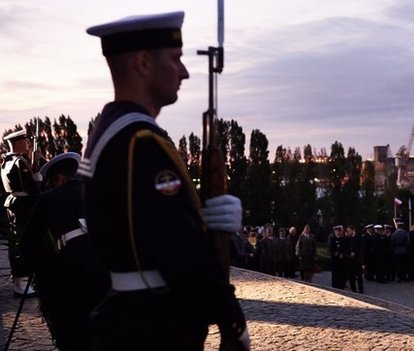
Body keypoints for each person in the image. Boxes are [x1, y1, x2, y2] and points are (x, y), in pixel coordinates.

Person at [81, 12, 249, 350]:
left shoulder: (112, 129)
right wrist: (232, 321)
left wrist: (198, 212)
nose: (184, 72)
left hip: (130, 319)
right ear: (143, 63)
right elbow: (181, 249)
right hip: (152, 326)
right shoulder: (141, 142)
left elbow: (145, 221)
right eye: (176, 59)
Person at [22, 152, 109, 350]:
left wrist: (32, 265)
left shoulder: (48, 198)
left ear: (59, 178)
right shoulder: (99, 193)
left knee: (73, 326)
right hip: (107, 265)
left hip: (73, 269)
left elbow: (30, 240)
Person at [1, 129, 39, 297]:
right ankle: (24, 282)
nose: (29, 145)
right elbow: (33, 187)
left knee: (16, 242)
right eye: (26, 142)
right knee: (24, 241)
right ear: (18, 144)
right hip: (24, 206)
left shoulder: (6, 161)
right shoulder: (19, 162)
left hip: (13, 204)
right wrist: (36, 168)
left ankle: (20, 281)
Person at [345, 225, 364, 293]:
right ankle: (353, 289)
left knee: (359, 275)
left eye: (349, 230)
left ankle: (361, 289)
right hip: (350, 259)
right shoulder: (347, 238)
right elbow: (346, 248)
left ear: (353, 230)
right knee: (351, 275)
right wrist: (349, 253)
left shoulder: (359, 237)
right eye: (347, 231)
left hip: (357, 259)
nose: (348, 232)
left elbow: (360, 248)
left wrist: (355, 253)